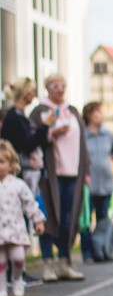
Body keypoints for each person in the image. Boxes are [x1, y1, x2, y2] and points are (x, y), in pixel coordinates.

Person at [29, 74, 88, 282]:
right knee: (48, 217)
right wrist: (52, 133)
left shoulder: (72, 112)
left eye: (63, 85)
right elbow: (33, 141)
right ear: (47, 88)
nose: (60, 89)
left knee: (68, 218)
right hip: (50, 176)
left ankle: (65, 260)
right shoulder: (39, 112)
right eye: (55, 86)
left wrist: (86, 171)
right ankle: (48, 263)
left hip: (73, 172)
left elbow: (83, 143)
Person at [0, 140, 46, 296]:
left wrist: (38, 220)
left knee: (18, 258)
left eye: (2, 162)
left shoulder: (18, 185)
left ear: (11, 165)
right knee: (1, 263)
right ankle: (2, 289)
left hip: (15, 230)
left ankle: (17, 279)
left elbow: (30, 203)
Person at [81, 102, 113, 263]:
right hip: (88, 184)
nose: (101, 116)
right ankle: (88, 253)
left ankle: (102, 251)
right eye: (98, 112)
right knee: (86, 220)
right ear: (89, 115)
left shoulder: (108, 135)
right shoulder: (82, 135)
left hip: (105, 183)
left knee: (103, 219)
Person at [2, 77, 50, 195]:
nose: (34, 94)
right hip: (20, 171)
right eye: (33, 90)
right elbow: (28, 144)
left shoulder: (19, 115)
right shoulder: (15, 117)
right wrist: (45, 126)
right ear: (25, 92)